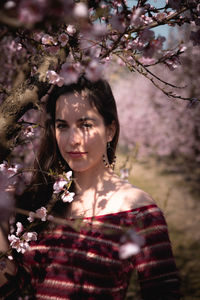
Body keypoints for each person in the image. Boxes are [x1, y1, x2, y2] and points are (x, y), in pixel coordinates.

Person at [0, 77, 180, 299]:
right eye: (62, 126)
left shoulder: (138, 211)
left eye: (86, 125)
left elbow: (163, 292)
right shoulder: (40, 202)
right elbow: (10, 287)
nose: (73, 140)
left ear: (110, 130)